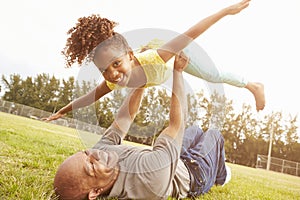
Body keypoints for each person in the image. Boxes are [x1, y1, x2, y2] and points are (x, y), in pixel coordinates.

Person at [44, 0, 265, 122]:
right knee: (136, 87)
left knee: (212, 76)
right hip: (147, 53)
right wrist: (62, 111)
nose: (111, 74)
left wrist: (225, 11)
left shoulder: (155, 58)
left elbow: (192, 32)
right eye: (104, 70)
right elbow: (88, 98)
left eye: (116, 64)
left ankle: (252, 85)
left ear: (129, 56)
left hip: (172, 47)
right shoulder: (113, 81)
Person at [53, 52, 230, 200]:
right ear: (95, 192)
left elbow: (124, 118)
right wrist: (178, 71)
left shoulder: (99, 153)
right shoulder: (148, 178)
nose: (94, 154)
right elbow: (177, 125)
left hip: (174, 160)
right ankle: (221, 176)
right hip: (193, 173)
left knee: (196, 130)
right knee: (214, 134)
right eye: (91, 165)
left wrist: (141, 81)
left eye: (85, 153)